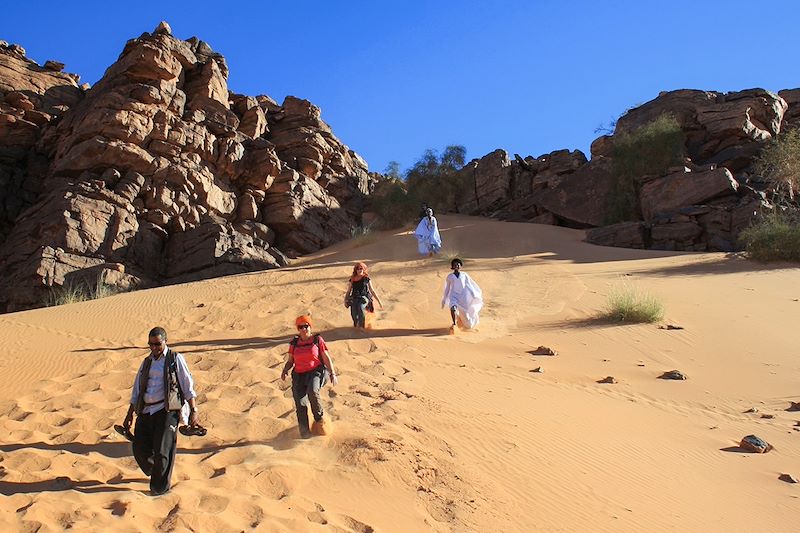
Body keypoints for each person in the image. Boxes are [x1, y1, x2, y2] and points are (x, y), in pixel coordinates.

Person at [122, 327, 199, 495]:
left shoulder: (175, 359)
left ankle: (159, 491)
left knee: (163, 451)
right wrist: (130, 413)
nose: (154, 348)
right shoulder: (146, 362)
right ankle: (155, 470)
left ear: (165, 341)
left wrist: (193, 410)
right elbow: (137, 388)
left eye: (157, 344)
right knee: (139, 448)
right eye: (151, 344)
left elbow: (187, 385)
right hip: (146, 411)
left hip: (166, 410)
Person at [281, 316, 338, 438]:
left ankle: (320, 420)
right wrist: (285, 369)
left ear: (310, 327)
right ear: (298, 329)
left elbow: (326, 357)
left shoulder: (317, 340)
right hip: (299, 375)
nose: (303, 329)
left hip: (315, 372)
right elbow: (290, 360)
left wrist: (332, 373)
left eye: (306, 326)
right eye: (300, 327)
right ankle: (305, 435)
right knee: (300, 404)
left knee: (312, 391)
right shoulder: (294, 343)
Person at [441, 258, 483, 334]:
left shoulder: (464, 275)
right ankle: (454, 324)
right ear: (452, 266)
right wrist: (444, 299)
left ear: (460, 266)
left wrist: (474, 294)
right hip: (453, 296)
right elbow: (447, 288)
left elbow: (469, 284)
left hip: (464, 297)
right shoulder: (450, 276)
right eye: (455, 264)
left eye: (458, 264)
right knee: (453, 308)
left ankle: (461, 320)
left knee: (468, 323)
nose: (456, 265)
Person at [344, 262, 383, 328]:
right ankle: (356, 326)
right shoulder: (352, 279)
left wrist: (379, 301)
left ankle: (362, 327)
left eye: (361, 268)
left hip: (364, 297)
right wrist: (345, 300)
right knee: (353, 313)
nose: (359, 270)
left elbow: (372, 290)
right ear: (355, 270)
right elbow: (348, 291)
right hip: (354, 298)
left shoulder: (366, 278)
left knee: (360, 307)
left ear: (363, 269)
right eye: (358, 269)